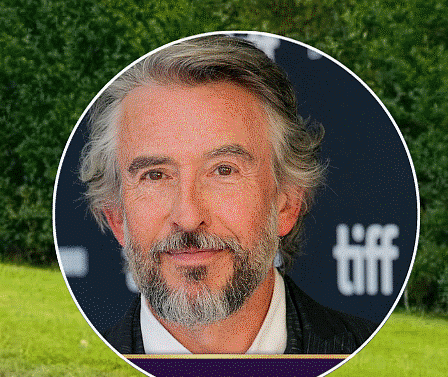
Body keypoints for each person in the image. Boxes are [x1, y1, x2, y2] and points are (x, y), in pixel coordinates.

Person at [78, 35, 372, 356]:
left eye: (224, 171)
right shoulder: (77, 367)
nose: (188, 217)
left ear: (286, 202)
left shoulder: (369, 356)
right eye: (156, 175)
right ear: (116, 216)